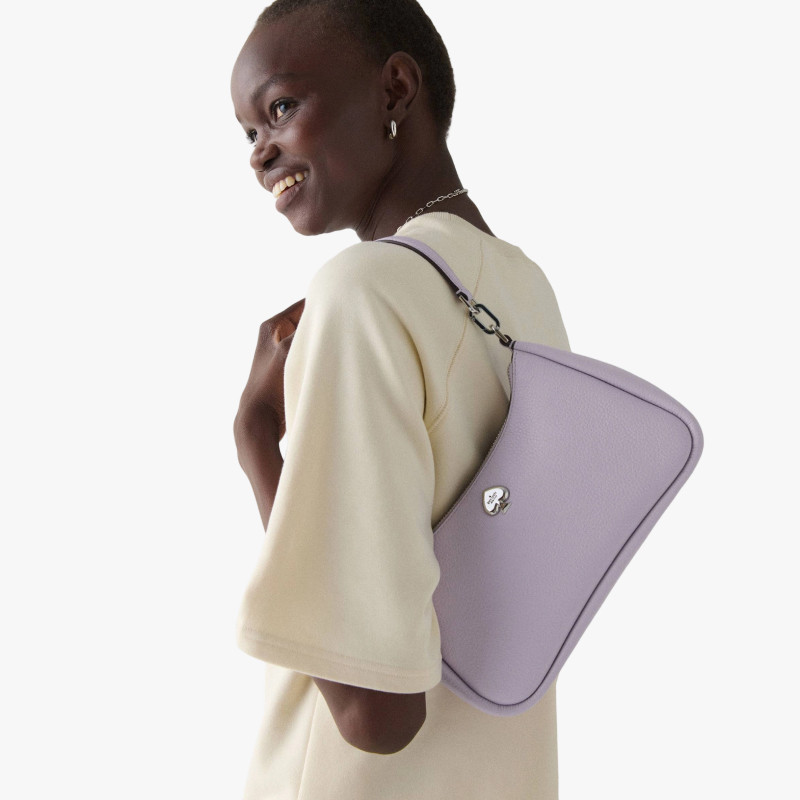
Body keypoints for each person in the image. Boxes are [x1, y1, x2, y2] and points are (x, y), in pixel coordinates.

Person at [230, 1, 571, 797]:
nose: (259, 152)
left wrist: (255, 440)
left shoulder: (363, 293)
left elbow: (376, 713)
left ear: (395, 89)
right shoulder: (525, 289)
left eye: (281, 107)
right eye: (247, 133)